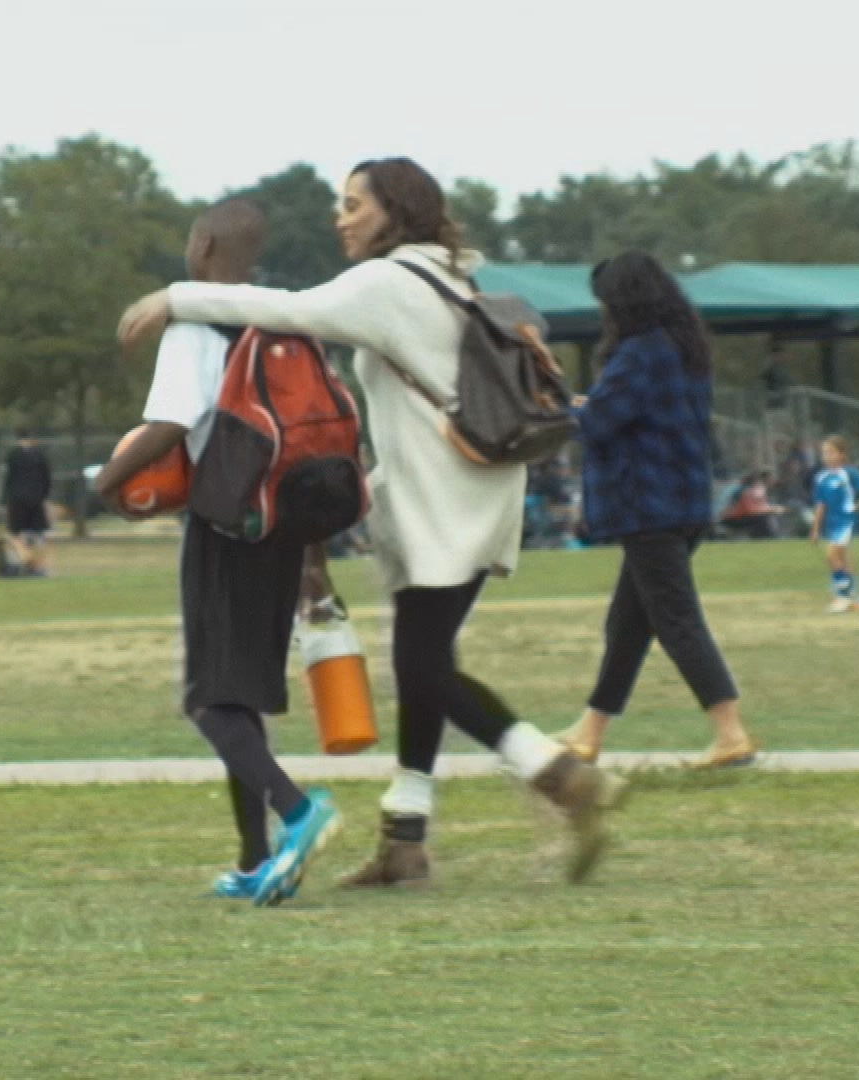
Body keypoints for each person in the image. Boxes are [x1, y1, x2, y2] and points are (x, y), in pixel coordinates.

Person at [118, 158, 622, 889]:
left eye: (354, 204)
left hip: (440, 506)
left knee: (424, 668)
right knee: (426, 664)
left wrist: (176, 297)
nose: (341, 216)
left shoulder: (387, 283)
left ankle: (557, 775)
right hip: (478, 494)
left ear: (395, 211)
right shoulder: (451, 274)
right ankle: (406, 839)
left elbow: (292, 310)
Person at [97, 198, 339, 907]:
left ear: (201, 247)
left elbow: (171, 422)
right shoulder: (281, 321)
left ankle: (299, 811)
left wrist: (107, 483)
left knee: (209, 701)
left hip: (225, 522)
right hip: (284, 525)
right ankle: (254, 856)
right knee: (240, 694)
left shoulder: (194, 323)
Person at [557, 253, 759, 770]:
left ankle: (731, 732)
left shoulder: (639, 353)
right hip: (683, 502)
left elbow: (601, 423)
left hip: (649, 507)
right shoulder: (682, 348)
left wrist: (568, 408)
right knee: (626, 625)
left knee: (676, 620)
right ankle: (589, 732)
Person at [810, 435, 859, 613]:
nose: (827, 456)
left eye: (831, 452)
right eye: (824, 453)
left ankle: (843, 596)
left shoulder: (849, 473)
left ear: (842, 455)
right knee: (843, 559)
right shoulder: (822, 478)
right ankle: (854, 597)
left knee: (832, 555)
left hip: (847, 521)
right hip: (833, 523)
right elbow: (821, 505)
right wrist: (815, 529)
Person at [1, 435, 55, 578]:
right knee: (39, 534)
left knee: (14, 534)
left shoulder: (13, 456)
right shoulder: (40, 456)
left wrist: (4, 500)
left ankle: (25, 560)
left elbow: (8, 479)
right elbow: (47, 480)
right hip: (36, 499)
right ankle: (40, 567)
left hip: (17, 500)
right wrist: (44, 496)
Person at [720, 470, 784, 540]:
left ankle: (768, 538)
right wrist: (773, 509)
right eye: (771, 479)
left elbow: (759, 507)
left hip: (739, 517)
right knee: (764, 518)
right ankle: (770, 539)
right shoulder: (754, 490)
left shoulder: (757, 490)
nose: (773, 482)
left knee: (765, 517)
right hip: (733, 519)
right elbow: (751, 510)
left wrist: (771, 509)